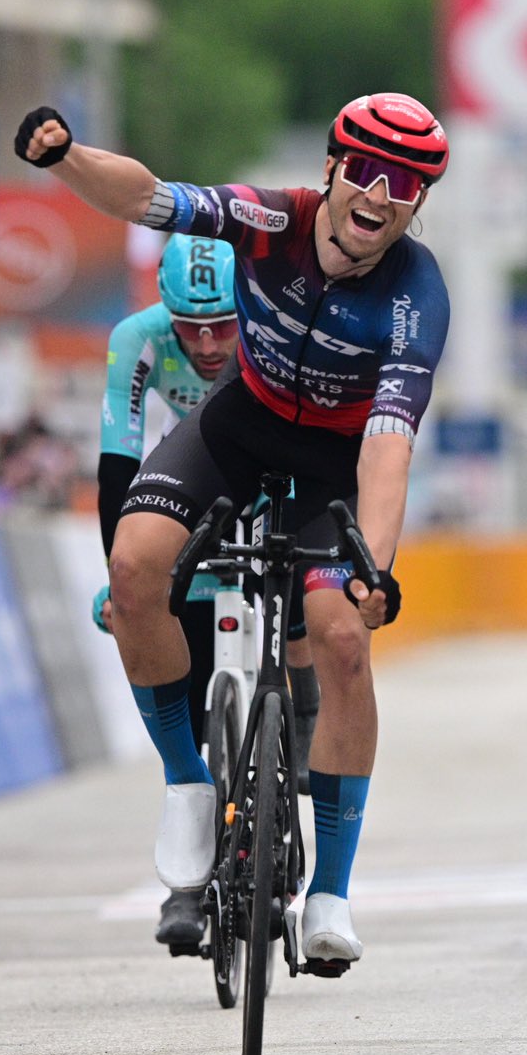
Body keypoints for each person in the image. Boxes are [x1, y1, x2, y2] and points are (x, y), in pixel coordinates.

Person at [15, 91, 450, 965]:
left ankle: (329, 893)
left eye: (404, 185)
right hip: (237, 430)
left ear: (418, 203)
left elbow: (388, 448)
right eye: (364, 171)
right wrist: (66, 160)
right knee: (136, 572)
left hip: (334, 467)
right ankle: (186, 784)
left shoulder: (417, 293)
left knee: (342, 640)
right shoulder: (268, 219)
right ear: (331, 167)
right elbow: (151, 200)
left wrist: (373, 566)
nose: (379, 195)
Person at [94, 233, 322, 950]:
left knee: (302, 595)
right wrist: (120, 577)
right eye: (189, 328)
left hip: (271, 462)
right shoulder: (136, 339)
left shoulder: (272, 330)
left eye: (223, 323)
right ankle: (185, 881)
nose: (208, 343)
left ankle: (303, 716)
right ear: (164, 314)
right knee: (176, 665)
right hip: (194, 470)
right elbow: (117, 463)